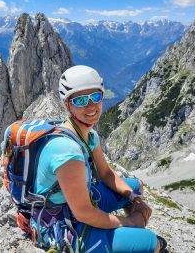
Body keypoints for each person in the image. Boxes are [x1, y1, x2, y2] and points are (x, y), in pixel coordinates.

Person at [34, 65, 166, 253]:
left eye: (95, 97)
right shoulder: (66, 151)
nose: (90, 106)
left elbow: (105, 173)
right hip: (64, 223)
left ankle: (128, 236)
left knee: (135, 186)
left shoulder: (89, 135)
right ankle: (131, 236)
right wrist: (128, 222)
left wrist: (132, 196)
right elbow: (84, 213)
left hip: (79, 203)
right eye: (80, 100)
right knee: (154, 243)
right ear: (67, 105)